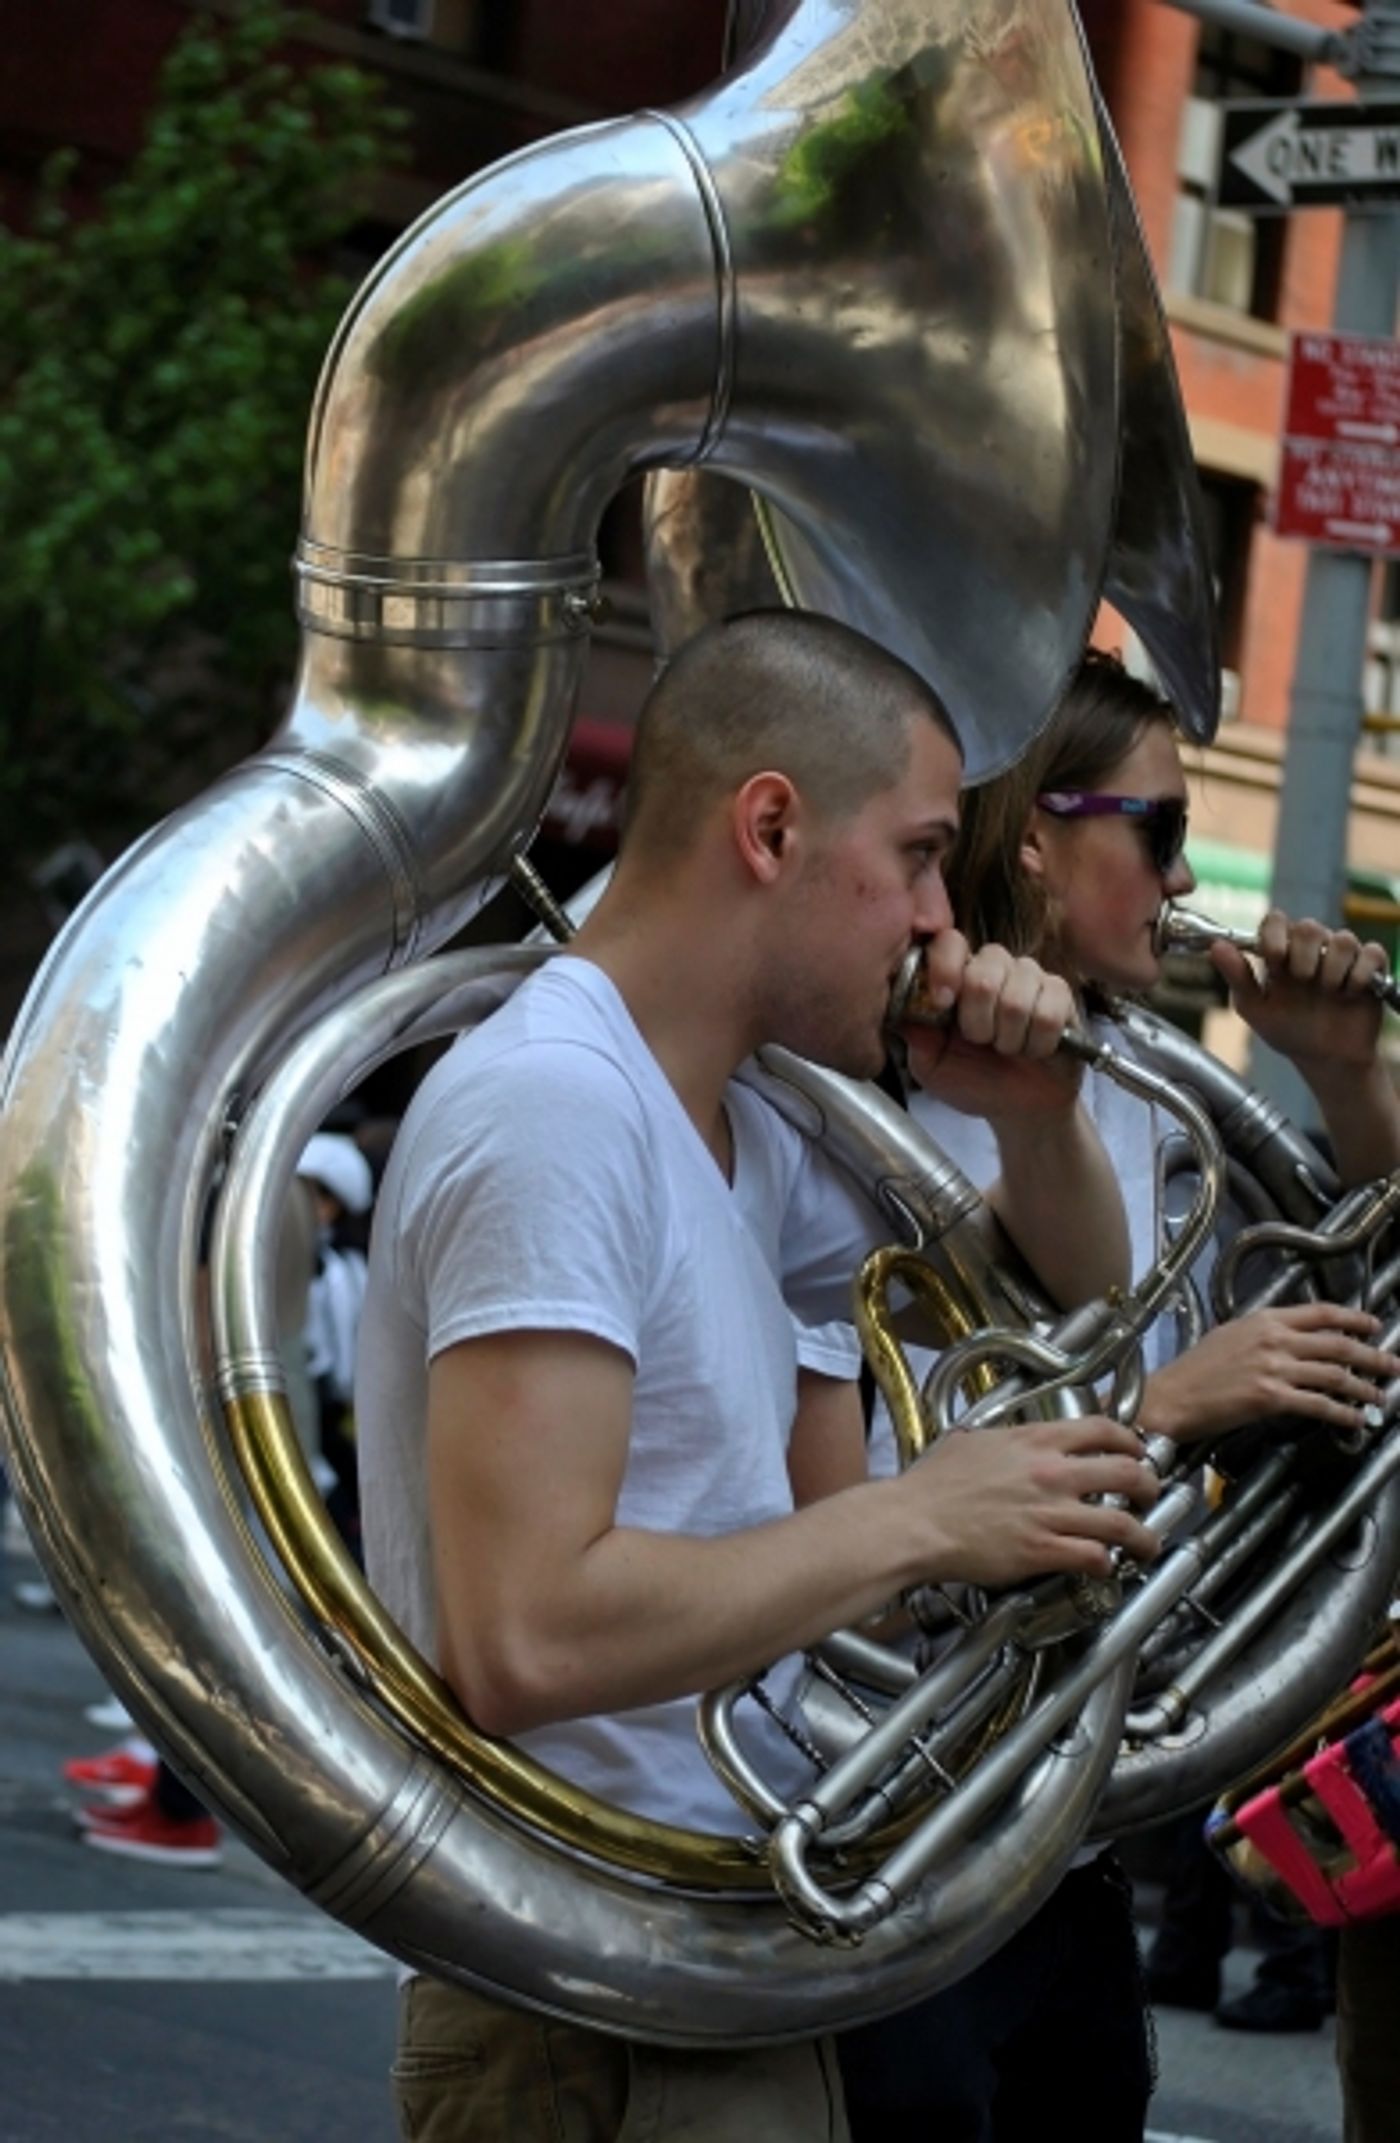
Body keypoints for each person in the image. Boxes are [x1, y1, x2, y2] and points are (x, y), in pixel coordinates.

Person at [356, 609, 1164, 2143]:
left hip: (696, 1965)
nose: (938, 918)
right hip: (587, 2006)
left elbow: (1073, 1300)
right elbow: (524, 1635)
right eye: (919, 856)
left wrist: (1035, 1112)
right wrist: (917, 1519)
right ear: (773, 829)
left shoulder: (731, 1120)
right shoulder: (558, 1107)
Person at [834, 648, 1400, 2141]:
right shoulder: (874, 1088)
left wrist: (1348, 1080)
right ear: (1034, 839)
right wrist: (1168, 1408)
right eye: (1160, 830)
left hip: (1062, 1817)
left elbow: (1369, 1298)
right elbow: (872, 1505)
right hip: (899, 1809)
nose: (1182, 876)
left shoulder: (1145, 1086)